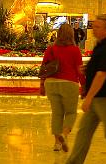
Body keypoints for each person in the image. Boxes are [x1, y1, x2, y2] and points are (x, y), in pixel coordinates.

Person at [66, 15, 106, 164]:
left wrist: (88, 98)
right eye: (93, 26)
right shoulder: (100, 46)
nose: (94, 30)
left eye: (97, 27)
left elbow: (102, 74)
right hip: (96, 97)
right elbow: (98, 67)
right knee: (84, 132)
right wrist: (87, 69)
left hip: (105, 97)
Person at [40, 23, 86, 152]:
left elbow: (44, 67)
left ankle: (57, 143)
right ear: (72, 34)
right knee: (70, 112)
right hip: (69, 83)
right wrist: (84, 86)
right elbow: (79, 70)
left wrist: (42, 85)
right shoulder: (75, 50)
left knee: (57, 113)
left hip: (51, 84)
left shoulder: (51, 49)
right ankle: (64, 136)